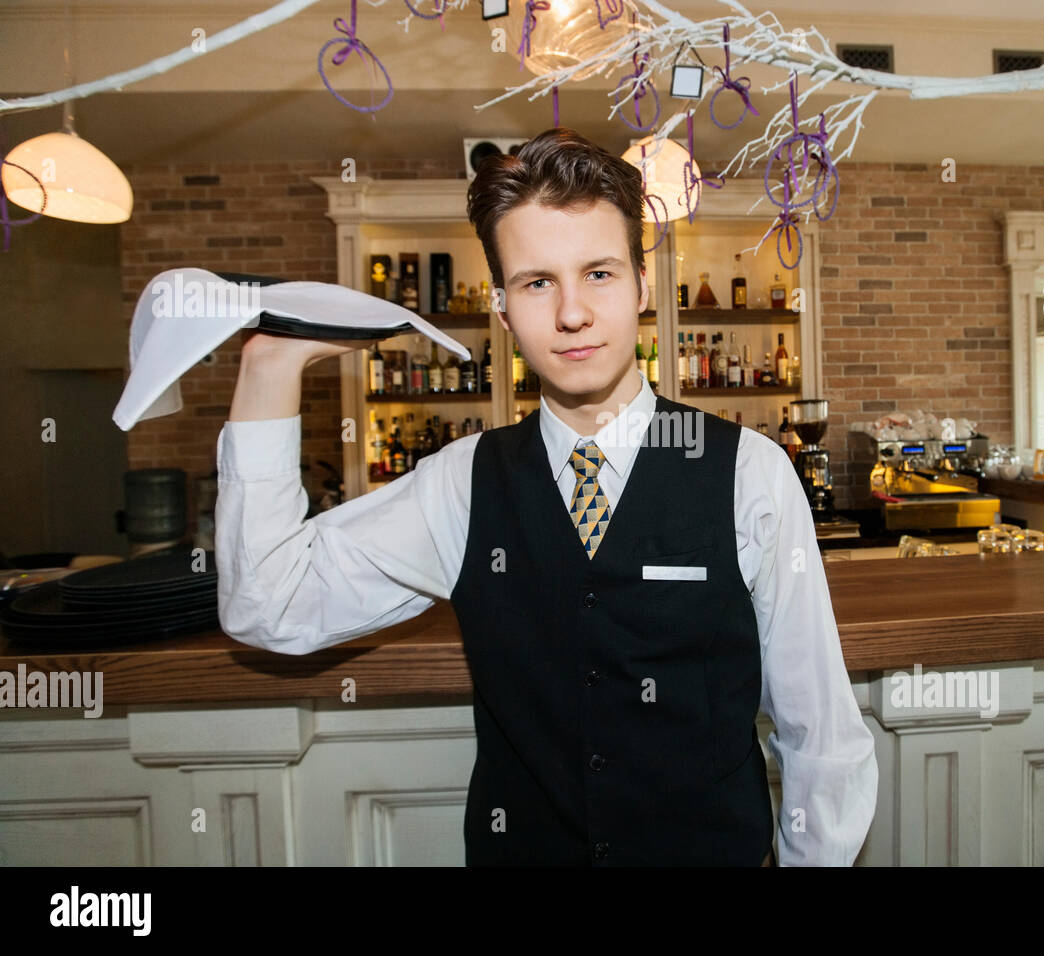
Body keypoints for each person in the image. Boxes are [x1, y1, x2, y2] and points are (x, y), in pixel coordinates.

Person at [216, 127, 877, 866]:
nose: (571, 313)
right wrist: (269, 368)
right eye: (538, 283)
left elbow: (819, 729)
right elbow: (265, 603)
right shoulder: (462, 484)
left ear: (641, 286)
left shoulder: (749, 473)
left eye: (598, 274)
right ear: (502, 309)